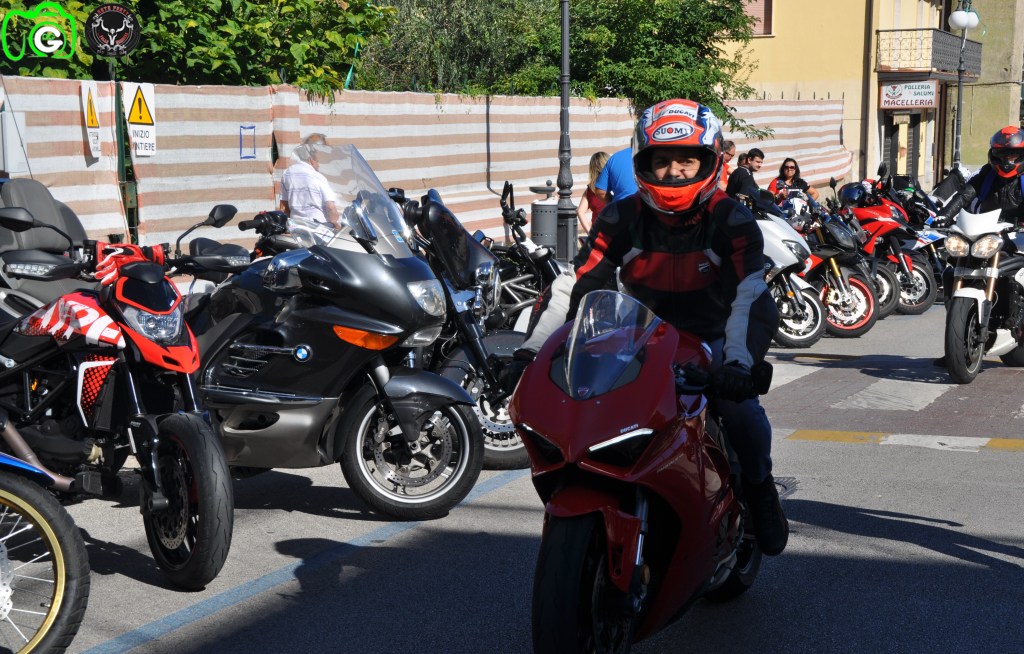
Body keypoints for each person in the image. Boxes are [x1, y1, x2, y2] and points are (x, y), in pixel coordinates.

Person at [507, 99, 788, 556]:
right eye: (662, 160)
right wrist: (531, 351)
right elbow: (577, 283)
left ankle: (760, 489)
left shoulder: (731, 219)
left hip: (714, 338)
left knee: (739, 410)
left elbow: (749, 296)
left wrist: (737, 364)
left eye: (686, 160)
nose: (674, 171)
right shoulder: (620, 216)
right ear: (642, 162)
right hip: (639, 339)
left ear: (709, 161)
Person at [934, 126, 1024, 367]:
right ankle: (956, 345)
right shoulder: (987, 174)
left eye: (1013, 155)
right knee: (952, 272)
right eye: (1003, 154)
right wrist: (944, 215)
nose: (1007, 161)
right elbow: (965, 194)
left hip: (1017, 236)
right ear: (994, 154)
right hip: (985, 232)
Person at [280, 133, 340, 229]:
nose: (320, 163)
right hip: (319, 228)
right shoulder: (318, 177)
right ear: (314, 155)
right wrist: (336, 225)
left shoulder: (287, 173)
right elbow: (330, 207)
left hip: (296, 227)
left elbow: (284, 206)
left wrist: (287, 228)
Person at [576, 151, 610, 235]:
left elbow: (580, 211)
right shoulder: (614, 185)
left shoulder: (590, 190)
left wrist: (590, 233)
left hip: (598, 233)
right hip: (616, 231)